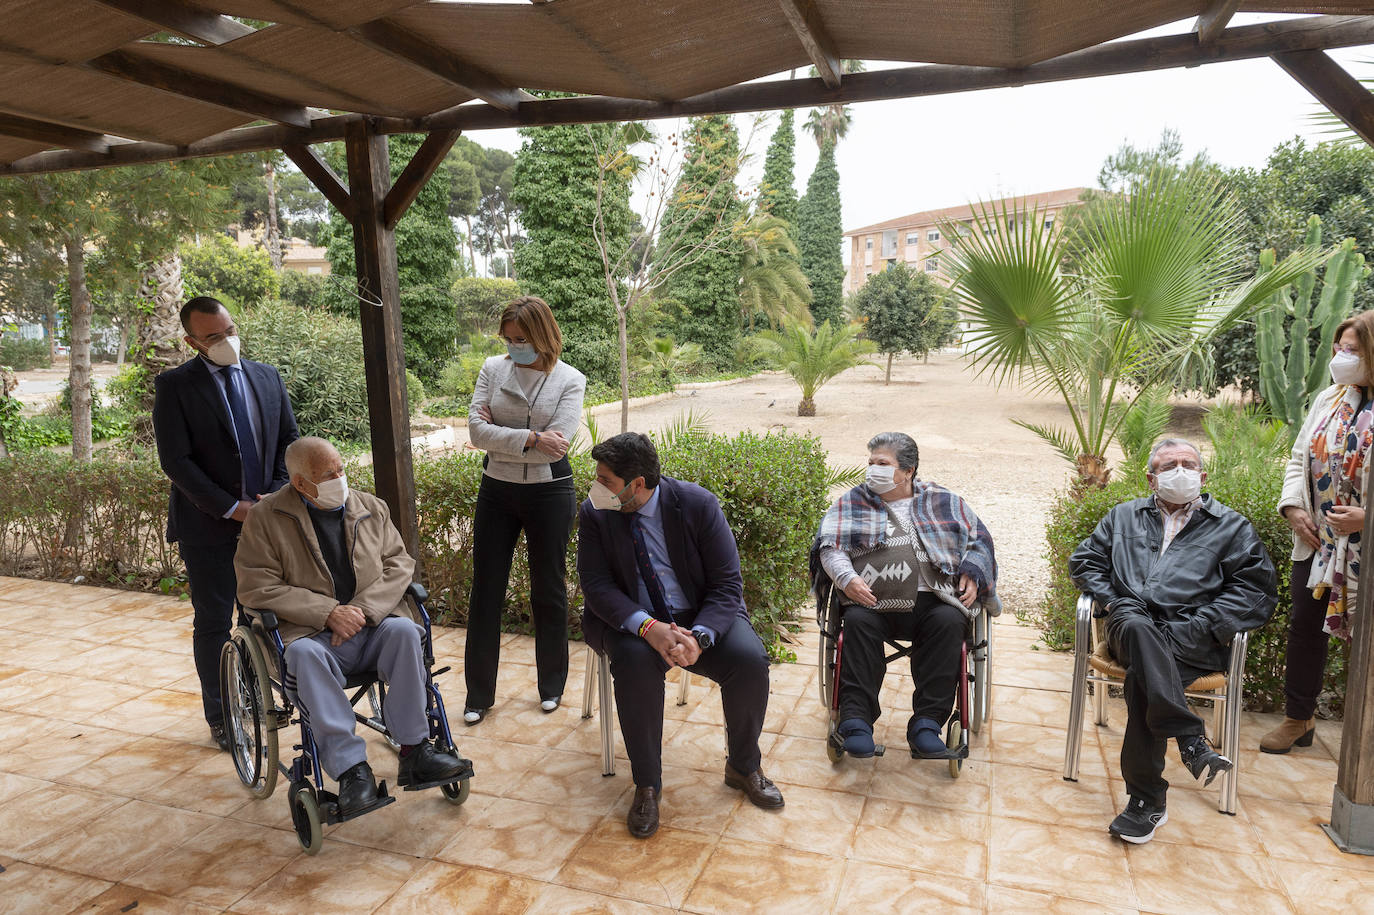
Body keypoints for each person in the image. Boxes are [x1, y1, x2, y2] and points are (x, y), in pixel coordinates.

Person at [234, 437, 470, 815]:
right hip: (309, 634)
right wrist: (327, 612)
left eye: (340, 470)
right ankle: (351, 771)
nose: (339, 479)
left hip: (372, 626)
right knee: (305, 656)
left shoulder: (370, 507)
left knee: (407, 632)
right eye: (328, 475)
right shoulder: (266, 519)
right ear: (299, 483)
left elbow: (398, 564)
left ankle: (416, 749)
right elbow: (256, 585)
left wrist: (359, 610)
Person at [1070, 438, 1277, 844]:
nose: (1179, 471)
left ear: (1202, 476)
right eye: (1169, 465)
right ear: (1151, 477)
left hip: (1192, 636)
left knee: (1144, 680)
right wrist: (1113, 599)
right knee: (1134, 622)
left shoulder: (1232, 527)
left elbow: (1255, 591)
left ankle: (1147, 801)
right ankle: (1190, 739)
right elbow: (1085, 561)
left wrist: (1199, 624)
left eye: (1187, 464)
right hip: (1129, 625)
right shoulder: (1122, 516)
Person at [577, 432, 783, 838]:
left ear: (637, 484)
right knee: (634, 665)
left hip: (699, 615)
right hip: (632, 621)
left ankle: (743, 766)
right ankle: (647, 785)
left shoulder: (696, 504)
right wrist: (648, 628)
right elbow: (597, 586)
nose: (596, 488)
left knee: (749, 661)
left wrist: (700, 637)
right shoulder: (595, 512)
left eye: (606, 481)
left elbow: (727, 585)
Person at [153, 295, 297, 751]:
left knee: (259, 617)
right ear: (192, 341)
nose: (226, 341)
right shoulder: (175, 385)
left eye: (229, 330)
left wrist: (273, 494)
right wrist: (232, 507)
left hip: (267, 521)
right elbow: (176, 461)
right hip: (209, 526)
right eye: (214, 337)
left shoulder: (266, 376)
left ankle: (256, 697)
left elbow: (288, 441)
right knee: (214, 622)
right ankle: (222, 714)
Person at [811, 432, 998, 760]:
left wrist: (972, 570)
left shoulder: (944, 500)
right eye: (870, 463)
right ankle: (855, 722)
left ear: (908, 470)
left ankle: (927, 724)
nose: (872, 470)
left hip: (935, 601)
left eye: (882, 464)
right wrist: (847, 579)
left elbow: (979, 539)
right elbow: (829, 546)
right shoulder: (853, 501)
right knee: (855, 621)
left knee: (951, 622)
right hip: (871, 601)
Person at [463, 296, 586, 724]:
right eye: (509, 338)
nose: (515, 346)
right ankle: (478, 694)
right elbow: (477, 432)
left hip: (550, 493)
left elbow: (561, 442)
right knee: (486, 591)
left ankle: (551, 686)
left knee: (547, 590)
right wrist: (532, 439)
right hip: (496, 490)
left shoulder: (570, 379)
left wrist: (507, 437)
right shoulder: (493, 371)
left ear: (543, 336)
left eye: (522, 338)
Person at [1265, 313, 1374, 753]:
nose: (1341, 357)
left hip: (1364, 548)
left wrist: (1367, 518)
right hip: (1318, 543)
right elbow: (1298, 458)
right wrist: (1293, 508)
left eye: (1353, 350)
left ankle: (1362, 741)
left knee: (1364, 641)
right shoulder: (1329, 397)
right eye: (1338, 347)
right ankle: (1298, 719)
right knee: (1305, 628)